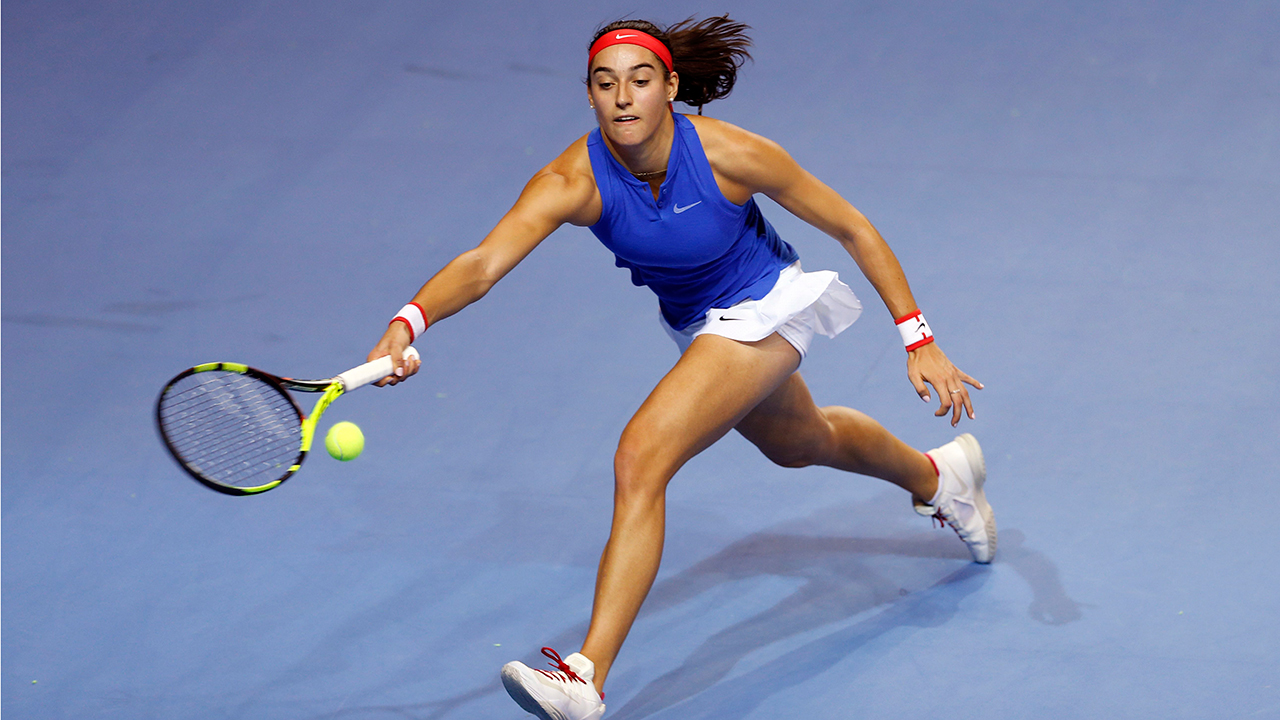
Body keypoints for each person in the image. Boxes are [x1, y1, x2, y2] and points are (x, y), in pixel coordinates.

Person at [367, 16, 994, 720]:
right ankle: (941, 477)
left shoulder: (730, 153)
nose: (623, 98)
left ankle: (585, 675)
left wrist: (918, 338)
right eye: (606, 84)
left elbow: (852, 225)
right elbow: (483, 264)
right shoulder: (573, 180)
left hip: (767, 303)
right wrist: (408, 321)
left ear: (669, 87)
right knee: (800, 442)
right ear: (589, 94)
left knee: (641, 456)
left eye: (640, 81)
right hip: (696, 323)